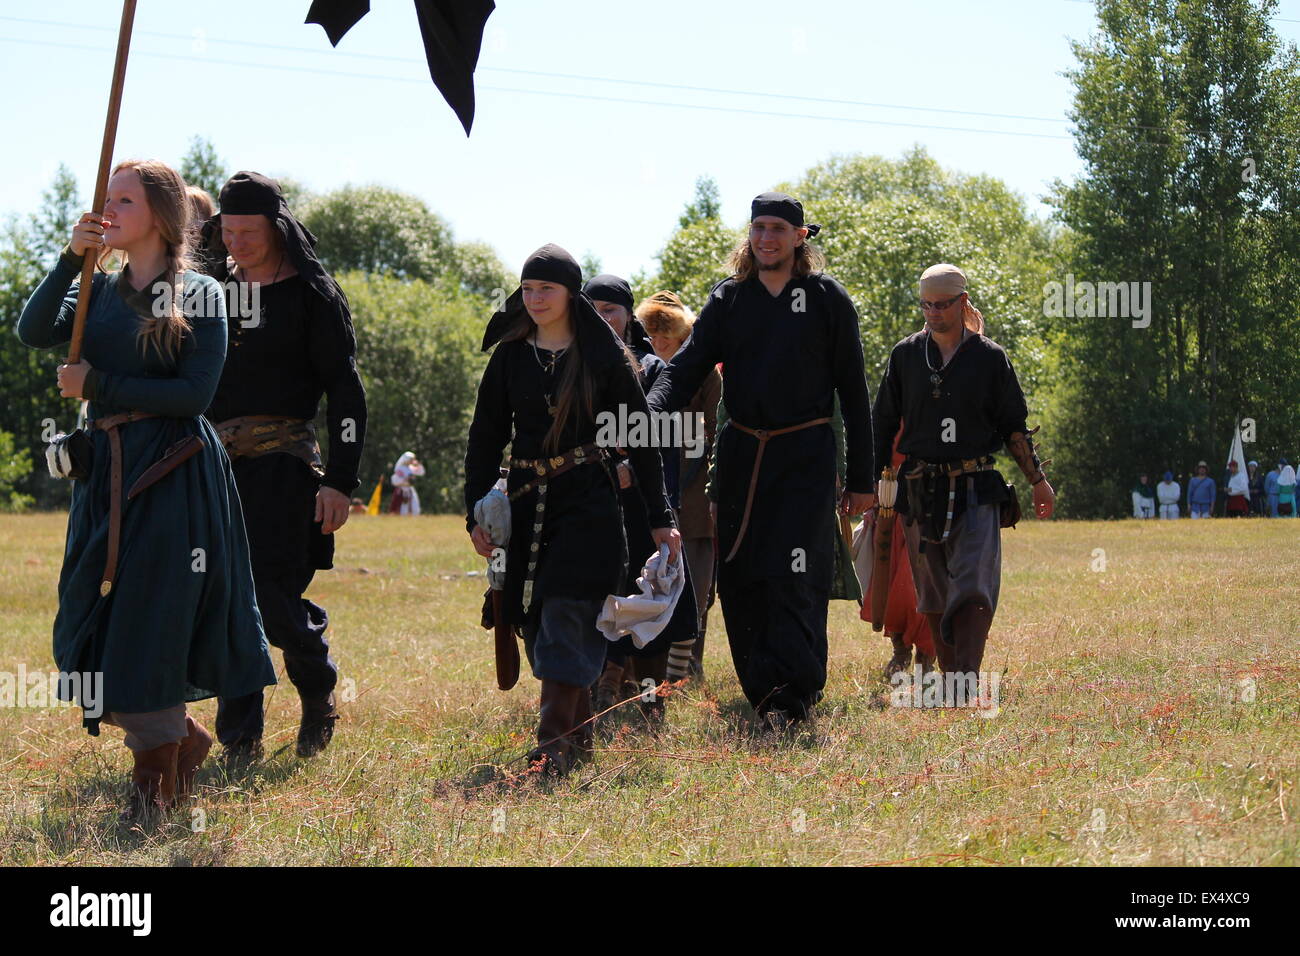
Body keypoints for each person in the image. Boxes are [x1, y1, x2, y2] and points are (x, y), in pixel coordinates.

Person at [17, 159, 276, 817]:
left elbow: (194, 394)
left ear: (158, 217)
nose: (109, 209)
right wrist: (68, 258)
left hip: (172, 474)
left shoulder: (200, 294)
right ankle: (179, 741)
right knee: (89, 618)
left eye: (123, 200)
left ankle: (152, 789)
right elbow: (30, 329)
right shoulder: (97, 289)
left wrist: (97, 385)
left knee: (150, 622)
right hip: (103, 473)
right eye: (106, 198)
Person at [646, 192, 875, 729]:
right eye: (758, 228)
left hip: (806, 456)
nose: (766, 237)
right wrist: (645, 412)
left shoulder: (826, 300)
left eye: (777, 228)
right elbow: (686, 369)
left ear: (800, 238)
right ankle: (761, 690)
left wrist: (862, 476)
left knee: (795, 573)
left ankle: (794, 694)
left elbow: (855, 392)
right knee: (743, 574)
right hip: (742, 455)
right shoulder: (730, 300)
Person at [464, 245, 679, 777]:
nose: (534, 299)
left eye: (547, 290)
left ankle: (551, 748)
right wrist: (474, 511)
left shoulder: (603, 357)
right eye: (528, 290)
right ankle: (579, 740)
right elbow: (485, 436)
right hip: (526, 501)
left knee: (565, 611)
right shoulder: (512, 354)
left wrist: (660, 514)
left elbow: (642, 439)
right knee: (536, 625)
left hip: (589, 502)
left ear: (569, 295)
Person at [199, 171, 368, 761]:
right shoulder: (209, 289)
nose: (237, 243)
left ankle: (317, 683)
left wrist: (342, 481)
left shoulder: (311, 295)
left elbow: (346, 392)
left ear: (277, 228)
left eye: (250, 231)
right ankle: (240, 738)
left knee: (270, 596)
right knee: (225, 597)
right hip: (213, 467)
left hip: (283, 465)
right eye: (228, 231)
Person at [872, 263, 1054, 704]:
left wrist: (1038, 481)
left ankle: (967, 681)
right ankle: (953, 683)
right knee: (932, 590)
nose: (934, 313)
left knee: (972, 582)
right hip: (919, 490)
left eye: (943, 304)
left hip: (976, 486)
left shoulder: (990, 358)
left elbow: (1014, 426)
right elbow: (882, 423)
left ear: (962, 302)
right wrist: (873, 483)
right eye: (927, 305)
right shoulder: (906, 355)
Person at [581, 274, 697, 727]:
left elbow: (649, 430)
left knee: (650, 602)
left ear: (628, 315)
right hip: (590, 503)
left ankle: (651, 702)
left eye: (610, 310)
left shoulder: (652, 368)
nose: (602, 319)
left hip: (643, 504)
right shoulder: (571, 365)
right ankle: (598, 687)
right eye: (593, 309)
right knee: (593, 596)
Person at [639, 290, 721, 678]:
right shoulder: (640, 370)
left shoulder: (705, 373)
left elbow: (713, 429)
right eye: (651, 335)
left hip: (694, 491)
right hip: (652, 491)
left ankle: (692, 661)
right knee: (652, 577)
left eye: (664, 334)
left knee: (698, 582)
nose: (658, 342)